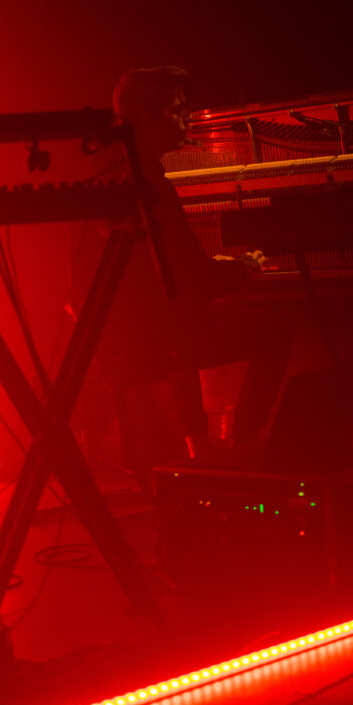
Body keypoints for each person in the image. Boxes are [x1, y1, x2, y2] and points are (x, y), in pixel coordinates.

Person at [72, 66, 293, 479]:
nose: (187, 120)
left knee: (176, 319)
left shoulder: (102, 174)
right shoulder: (150, 185)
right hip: (157, 339)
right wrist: (241, 269)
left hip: (112, 337)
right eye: (177, 111)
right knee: (275, 327)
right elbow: (190, 282)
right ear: (145, 119)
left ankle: (199, 448)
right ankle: (243, 446)